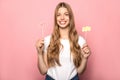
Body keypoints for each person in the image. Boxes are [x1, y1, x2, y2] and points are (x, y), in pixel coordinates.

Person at [35, 2, 91, 80]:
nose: (62, 18)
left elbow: (80, 71)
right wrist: (39, 53)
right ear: (56, 18)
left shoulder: (80, 41)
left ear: (70, 17)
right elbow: (43, 71)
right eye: (58, 15)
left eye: (66, 14)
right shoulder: (47, 40)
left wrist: (85, 58)